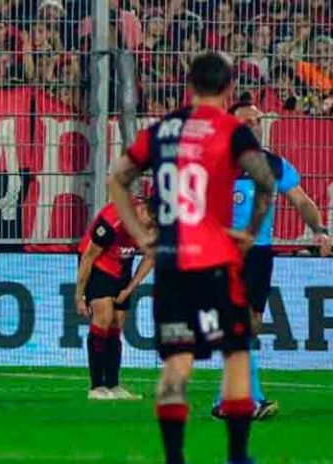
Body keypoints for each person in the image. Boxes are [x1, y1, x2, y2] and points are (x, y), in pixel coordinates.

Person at [107, 52, 277, 464]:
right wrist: (251, 231)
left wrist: (143, 235)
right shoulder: (232, 131)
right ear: (229, 88)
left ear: (189, 86)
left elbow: (118, 178)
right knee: (236, 354)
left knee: (177, 364)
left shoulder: (162, 130)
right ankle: (237, 455)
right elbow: (265, 180)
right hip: (216, 262)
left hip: (171, 264)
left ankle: (174, 458)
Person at [210, 97, 332, 420]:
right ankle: (251, 400)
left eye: (257, 122)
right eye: (246, 123)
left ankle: (224, 400)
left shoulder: (273, 164)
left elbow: (302, 201)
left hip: (260, 255)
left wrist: (320, 230)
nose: (253, 127)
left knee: (248, 326)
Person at [76, 199, 154, 400]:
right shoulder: (114, 219)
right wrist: (79, 296)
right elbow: (88, 257)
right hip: (98, 264)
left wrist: (129, 289)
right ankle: (96, 387)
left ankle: (113, 384)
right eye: (149, 220)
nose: (150, 226)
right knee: (103, 317)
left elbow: (151, 256)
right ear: (141, 210)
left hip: (122, 265)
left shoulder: (156, 225)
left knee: (117, 322)